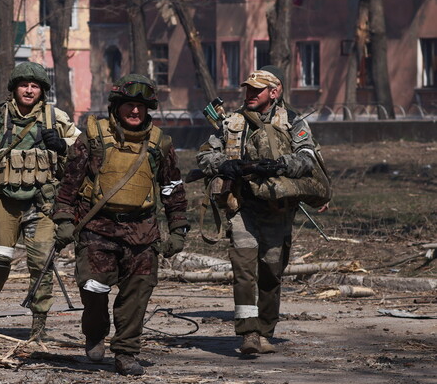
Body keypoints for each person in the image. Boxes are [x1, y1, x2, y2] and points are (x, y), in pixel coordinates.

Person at [52, 74, 188, 376]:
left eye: (141, 106)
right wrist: (63, 219)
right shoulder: (94, 137)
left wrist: (178, 228)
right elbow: (70, 183)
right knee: (94, 289)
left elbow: (172, 187)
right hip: (97, 230)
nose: (135, 111)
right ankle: (96, 333)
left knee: (137, 296)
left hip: (142, 233)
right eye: (129, 105)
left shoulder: (160, 143)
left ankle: (126, 352)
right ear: (117, 106)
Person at [196, 65, 329, 355]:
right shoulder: (232, 122)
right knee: (244, 270)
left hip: (278, 210)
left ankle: (266, 331)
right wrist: (223, 164)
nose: (250, 94)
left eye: (257, 90)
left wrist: (282, 165)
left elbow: (307, 157)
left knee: (271, 273)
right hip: (242, 207)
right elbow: (204, 155)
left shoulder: (292, 121)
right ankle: (248, 334)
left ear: (275, 91)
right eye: (248, 89)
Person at [0, 62, 80, 341]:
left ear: (42, 91)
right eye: (24, 85)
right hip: (4, 200)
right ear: (14, 88)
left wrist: (62, 145)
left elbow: (85, 151)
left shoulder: (54, 118)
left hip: (42, 203)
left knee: (41, 265)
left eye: (35, 86)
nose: (29, 90)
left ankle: (39, 324)